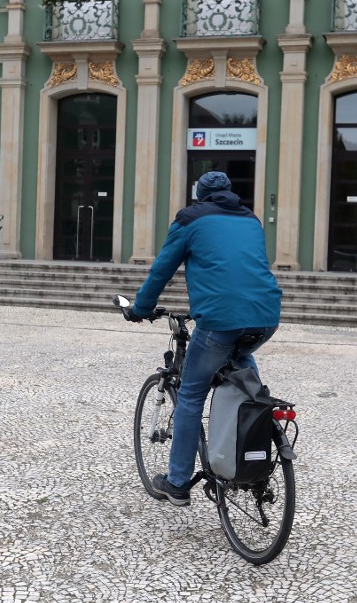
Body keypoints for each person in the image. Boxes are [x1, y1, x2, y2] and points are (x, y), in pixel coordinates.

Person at [125, 171, 282, 506]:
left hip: (221, 321)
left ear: (199, 195)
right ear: (229, 193)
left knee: (193, 394)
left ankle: (178, 483)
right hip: (266, 318)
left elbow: (162, 270)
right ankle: (252, 460)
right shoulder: (251, 220)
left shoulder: (190, 219)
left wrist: (140, 308)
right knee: (247, 384)